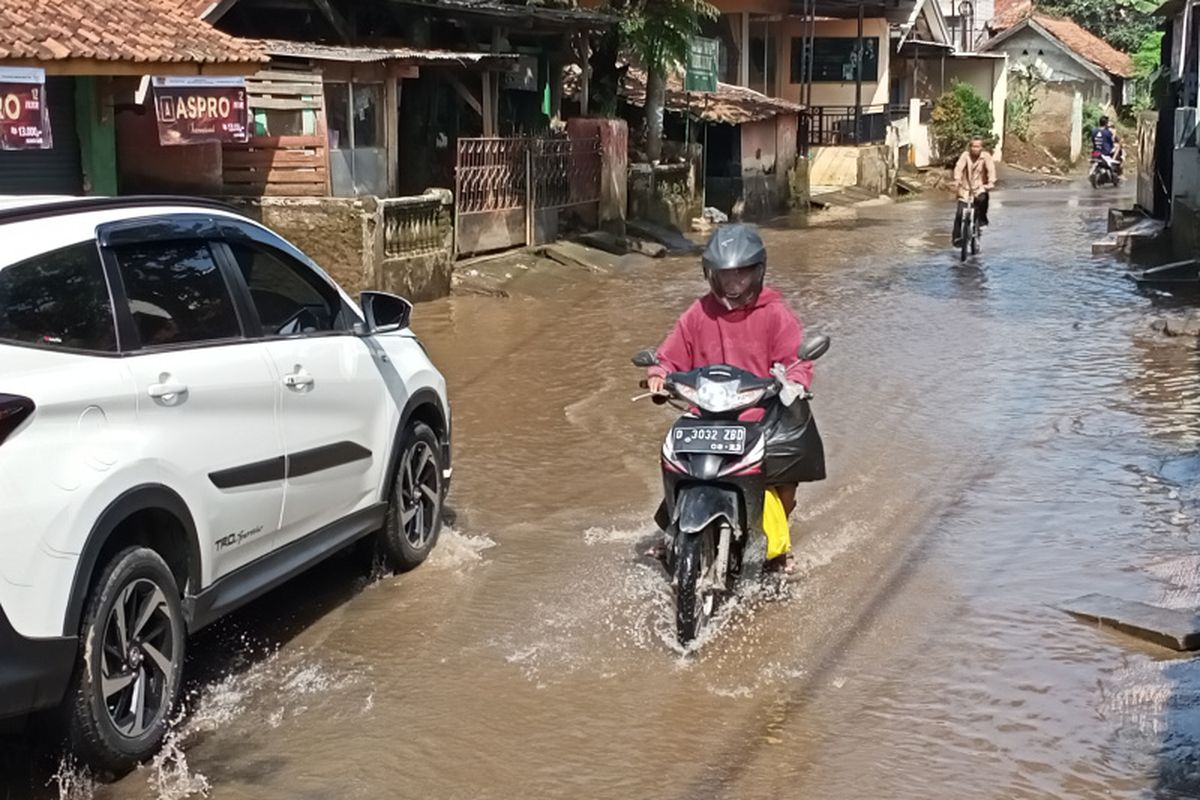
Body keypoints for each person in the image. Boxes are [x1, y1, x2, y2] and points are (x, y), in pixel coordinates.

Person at [646, 224, 826, 574]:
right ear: (711, 275)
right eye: (726, 276)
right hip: (707, 414)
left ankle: (778, 545)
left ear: (757, 272)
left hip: (759, 415)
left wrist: (795, 380)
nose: (734, 283)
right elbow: (669, 355)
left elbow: (796, 359)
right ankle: (674, 530)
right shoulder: (699, 313)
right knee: (675, 460)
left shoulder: (776, 314)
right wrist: (658, 374)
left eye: (742, 275)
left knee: (787, 472)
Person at [952, 135, 996, 247]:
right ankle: (957, 238)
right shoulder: (965, 156)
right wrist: (957, 179)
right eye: (973, 146)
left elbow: (991, 170)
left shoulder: (986, 157)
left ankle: (982, 221)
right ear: (970, 147)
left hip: (980, 187)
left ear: (981, 147)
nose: (975, 149)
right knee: (959, 213)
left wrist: (991, 182)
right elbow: (958, 167)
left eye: (978, 146)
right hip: (965, 188)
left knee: (983, 198)